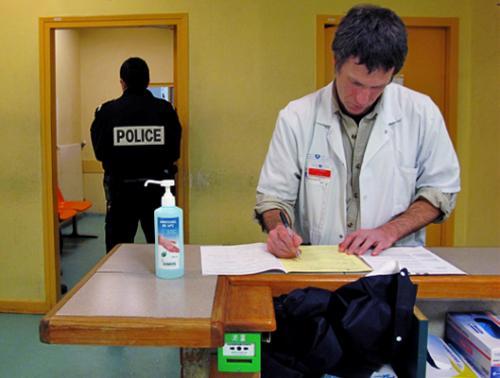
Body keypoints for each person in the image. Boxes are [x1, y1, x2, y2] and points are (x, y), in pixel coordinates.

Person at [255, 5, 460, 258]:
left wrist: (389, 231)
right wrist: (279, 230)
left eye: (377, 87)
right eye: (355, 83)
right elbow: (274, 198)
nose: (363, 98)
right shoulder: (296, 117)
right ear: (335, 62)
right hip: (319, 266)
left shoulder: (421, 112)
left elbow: (441, 191)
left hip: (393, 264)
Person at [91, 57, 181, 252]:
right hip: (159, 193)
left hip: (121, 193)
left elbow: (100, 153)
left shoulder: (106, 112)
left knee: (118, 252)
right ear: (148, 81)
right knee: (165, 251)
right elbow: (175, 151)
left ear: (122, 82)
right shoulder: (165, 110)